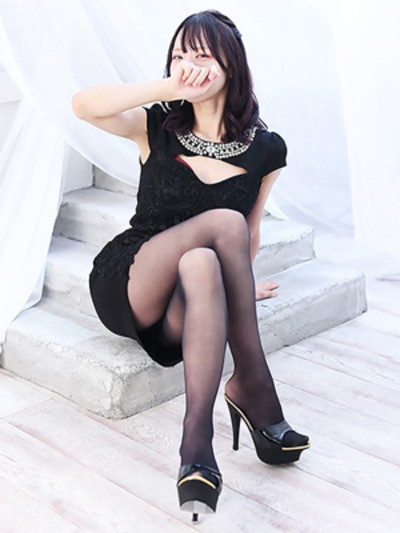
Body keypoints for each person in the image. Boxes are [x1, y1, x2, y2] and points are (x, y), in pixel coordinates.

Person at [71, 9, 310, 522]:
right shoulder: (156, 125)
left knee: (205, 257)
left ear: (231, 64)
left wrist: (238, 287)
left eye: (201, 55)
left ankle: (197, 446)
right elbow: (81, 106)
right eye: (179, 55)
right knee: (223, 222)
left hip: (186, 302)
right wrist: (168, 87)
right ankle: (252, 384)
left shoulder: (267, 150)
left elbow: (251, 231)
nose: (188, 65)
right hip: (132, 278)